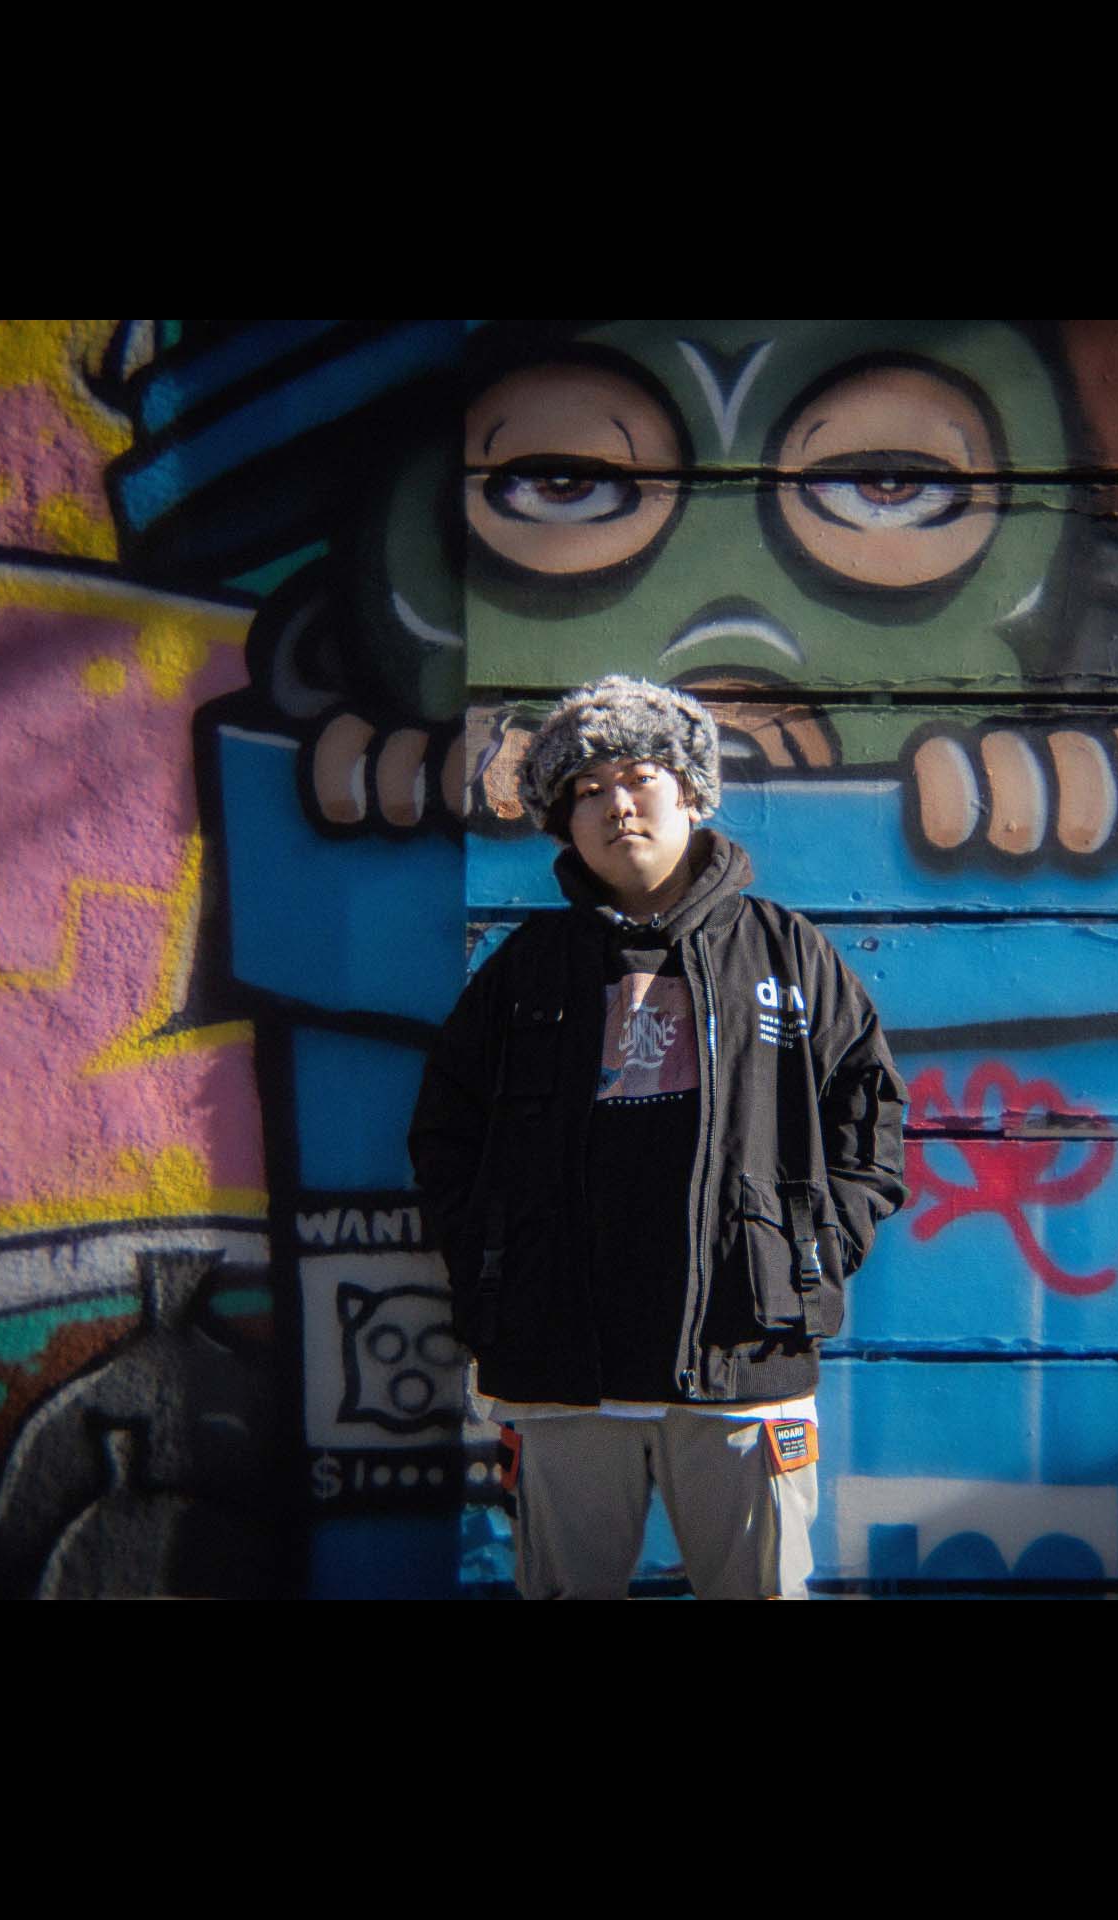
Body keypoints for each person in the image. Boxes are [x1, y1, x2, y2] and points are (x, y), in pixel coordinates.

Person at [410, 675, 907, 1599]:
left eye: (640, 777)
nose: (617, 805)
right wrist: (492, 1257)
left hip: (745, 1356)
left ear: (691, 793)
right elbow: (447, 1128)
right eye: (587, 790)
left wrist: (811, 1247)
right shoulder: (526, 969)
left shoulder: (786, 951)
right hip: (558, 1365)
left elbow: (869, 1107)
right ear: (564, 822)